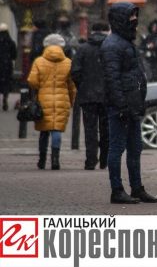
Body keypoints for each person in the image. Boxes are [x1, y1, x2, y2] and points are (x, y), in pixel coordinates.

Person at [101, 2, 157, 205]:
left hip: (132, 105)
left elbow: (132, 75)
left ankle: (137, 188)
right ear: (120, 20)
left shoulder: (125, 42)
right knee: (117, 148)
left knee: (135, 148)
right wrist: (121, 106)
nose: (135, 22)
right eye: (131, 18)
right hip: (121, 107)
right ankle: (116, 190)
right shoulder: (112, 45)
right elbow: (112, 79)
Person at [27, 34, 77, 170]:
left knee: (44, 131)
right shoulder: (68, 62)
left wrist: (40, 86)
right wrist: (71, 101)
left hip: (44, 99)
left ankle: (42, 159)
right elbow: (72, 85)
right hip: (62, 99)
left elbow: (32, 81)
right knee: (56, 130)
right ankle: (55, 159)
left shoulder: (39, 61)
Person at [71, 21, 110, 170]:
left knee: (90, 129)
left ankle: (90, 160)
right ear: (107, 31)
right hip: (107, 96)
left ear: (92, 32)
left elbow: (75, 72)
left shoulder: (82, 49)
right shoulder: (111, 49)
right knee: (107, 129)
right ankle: (104, 159)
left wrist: (82, 86)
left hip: (87, 95)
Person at [0, 23, 17, 111]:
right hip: (7, 64)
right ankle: (5, 98)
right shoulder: (11, 42)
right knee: (6, 82)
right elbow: (14, 55)